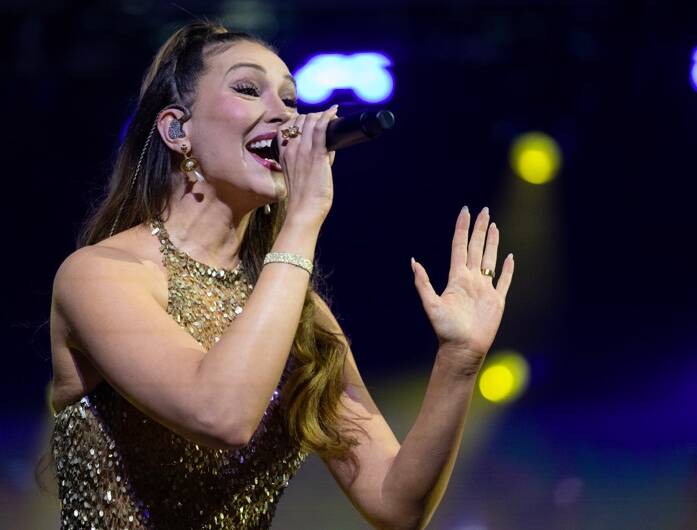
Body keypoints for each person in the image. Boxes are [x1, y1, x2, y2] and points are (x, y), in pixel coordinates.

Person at [48, 19, 515, 530]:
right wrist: (303, 218)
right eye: (249, 90)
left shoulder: (298, 312)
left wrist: (459, 361)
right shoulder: (102, 276)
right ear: (178, 130)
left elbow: (395, 504)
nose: (285, 116)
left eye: (291, 101)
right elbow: (219, 415)